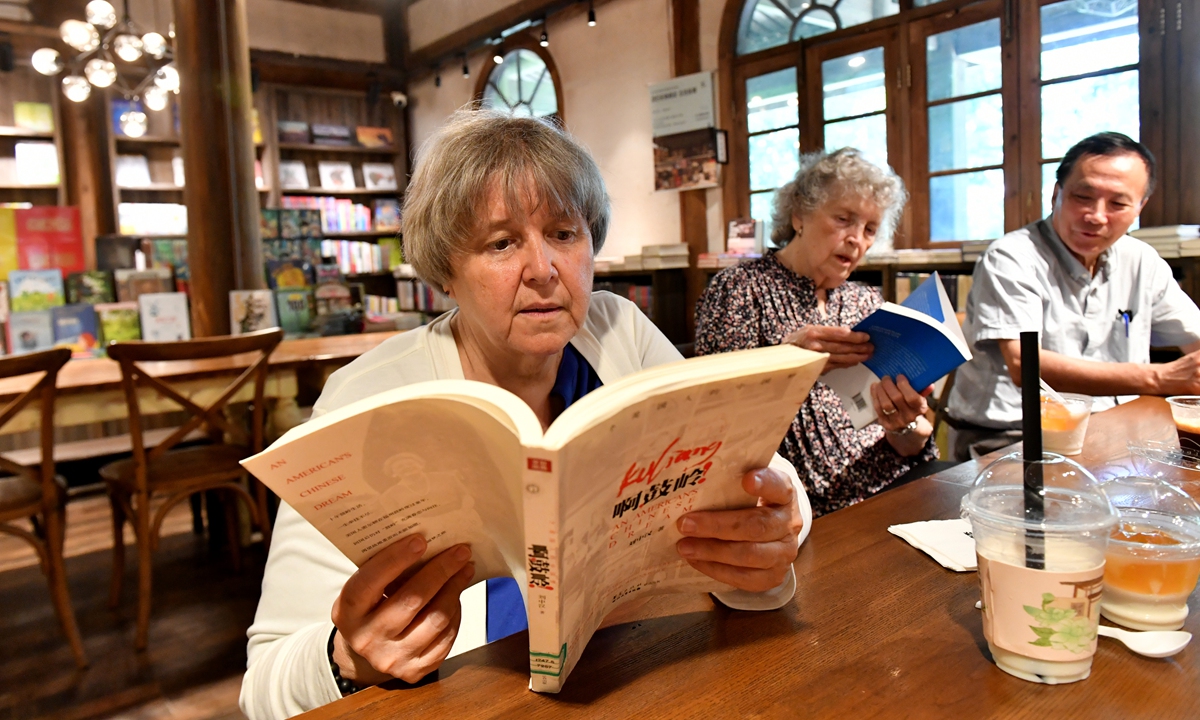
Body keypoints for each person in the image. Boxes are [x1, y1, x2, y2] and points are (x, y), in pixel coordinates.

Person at [240, 108, 815, 720]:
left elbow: (768, 484)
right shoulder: (366, 397)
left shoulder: (619, 332)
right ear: (445, 273)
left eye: (565, 233)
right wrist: (346, 661)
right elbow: (264, 687)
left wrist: (773, 528)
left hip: (634, 675)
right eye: (502, 242)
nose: (543, 270)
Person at [694, 148, 938, 518]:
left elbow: (907, 444)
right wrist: (787, 361)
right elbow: (713, 418)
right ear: (799, 215)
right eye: (843, 219)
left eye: (870, 229)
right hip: (809, 505)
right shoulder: (739, 289)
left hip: (898, 480)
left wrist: (905, 425)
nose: (857, 239)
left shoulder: (867, 300)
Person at [945, 132, 1200, 460]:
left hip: (1115, 425)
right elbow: (1025, 363)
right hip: (1012, 435)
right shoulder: (1011, 256)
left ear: (1140, 207)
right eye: (1083, 196)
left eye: (1118, 203)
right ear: (1056, 194)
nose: (1096, 215)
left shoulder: (1142, 260)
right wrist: (1158, 377)